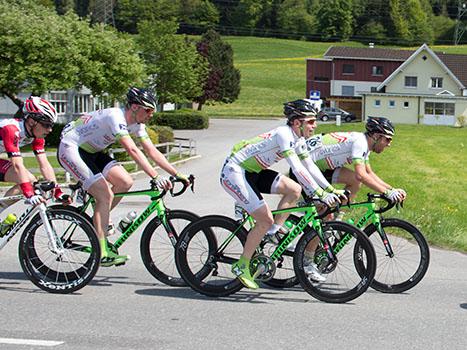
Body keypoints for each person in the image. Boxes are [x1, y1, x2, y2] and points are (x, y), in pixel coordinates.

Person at [58, 87, 190, 267]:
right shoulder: (116, 117)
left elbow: (151, 151)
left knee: (126, 182)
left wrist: (176, 173)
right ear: (135, 107)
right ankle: (101, 251)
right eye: (148, 110)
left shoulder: (137, 124)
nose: (151, 115)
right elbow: (132, 149)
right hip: (71, 148)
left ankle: (99, 221)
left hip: (92, 152)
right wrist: (155, 176)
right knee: (105, 195)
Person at [220, 99, 344, 289]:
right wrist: (319, 193)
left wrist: (329, 190)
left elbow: (309, 166)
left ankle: (272, 232)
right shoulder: (283, 134)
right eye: (311, 121)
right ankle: (242, 265)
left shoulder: (298, 139)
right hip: (235, 171)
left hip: (253, 172)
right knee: (264, 220)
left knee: (294, 190)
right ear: (297, 123)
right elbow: (296, 167)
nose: (315, 125)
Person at [291, 116, 406, 204]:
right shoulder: (360, 143)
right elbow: (361, 175)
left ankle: (339, 222)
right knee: (325, 213)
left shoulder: (365, 144)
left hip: (321, 167)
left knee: (355, 182)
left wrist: (392, 190)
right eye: (387, 139)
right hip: (304, 169)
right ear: (376, 136)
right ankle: (327, 223)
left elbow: (369, 173)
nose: (389, 144)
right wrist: (386, 193)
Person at [0, 96, 69, 214]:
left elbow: (45, 165)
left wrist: (57, 191)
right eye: (46, 125)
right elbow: (17, 165)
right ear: (32, 121)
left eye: (51, 125)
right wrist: (29, 194)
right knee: (27, 184)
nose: (50, 129)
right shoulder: (11, 129)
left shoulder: (36, 135)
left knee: (31, 182)